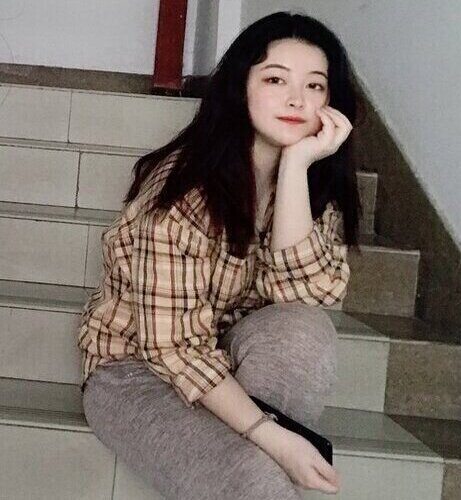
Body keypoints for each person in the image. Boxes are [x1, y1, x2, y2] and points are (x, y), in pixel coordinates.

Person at [79, 10, 360, 499]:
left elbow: (302, 297)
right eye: (275, 79)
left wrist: (295, 168)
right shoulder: (181, 193)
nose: (297, 99)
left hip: (229, 356)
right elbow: (173, 349)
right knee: (255, 477)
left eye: (315, 86)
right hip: (137, 371)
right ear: (240, 87)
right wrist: (274, 439)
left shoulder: (314, 186)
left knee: (304, 330)